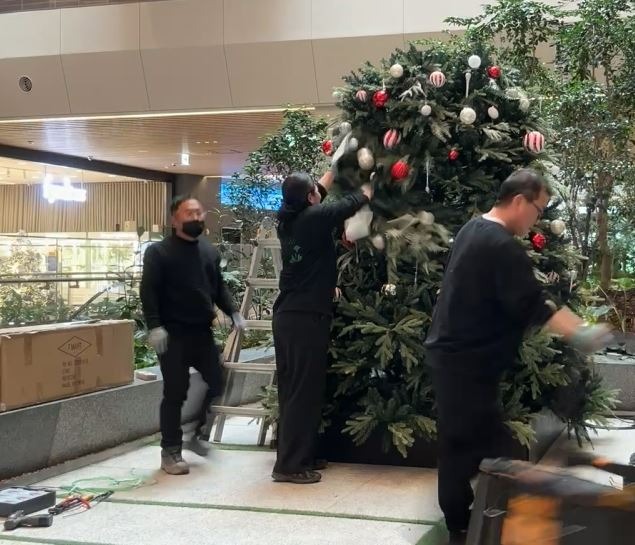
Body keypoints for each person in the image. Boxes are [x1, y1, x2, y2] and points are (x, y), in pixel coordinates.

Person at [423, 169, 613, 545]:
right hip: (466, 362)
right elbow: (535, 305)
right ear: (519, 201)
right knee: (476, 449)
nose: (536, 220)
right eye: (538, 210)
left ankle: (470, 521)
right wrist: (581, 334)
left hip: (453, 357)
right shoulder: (500, 245)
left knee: (464, 444)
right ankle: (468, 527)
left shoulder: (472, 229)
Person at [271, 166, 373, 485]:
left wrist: (337, 165)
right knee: (301, 392)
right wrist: (373, 184)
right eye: (314, 191)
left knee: (297, 389)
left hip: (292, 315)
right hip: (303, 317)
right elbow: (349, 204)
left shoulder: (291, 218)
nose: (319, 192)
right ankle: (289, 465)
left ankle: (300, 455)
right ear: (310, 199)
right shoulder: (312, 218)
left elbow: (320, 191)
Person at [140, 195, 245, 475]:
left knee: (218, 381)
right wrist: (154, 326)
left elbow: (218, 288)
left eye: (199, 212)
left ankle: (197, 434)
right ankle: (170, 450)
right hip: (172, 334)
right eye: (189, 213)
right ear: (174, 219)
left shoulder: (208, 251)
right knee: (175, 392)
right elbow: (148, 291)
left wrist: (233, 312)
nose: (196, 217)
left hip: (201, 333)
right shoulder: (159, 253)